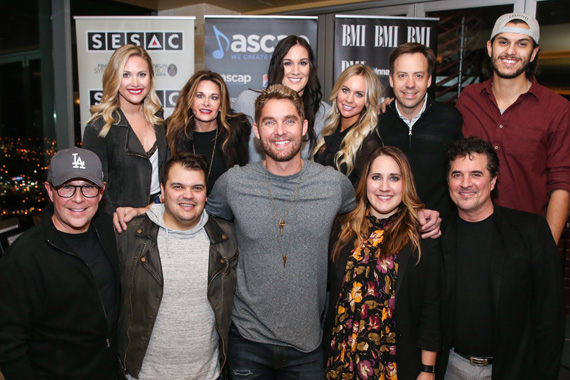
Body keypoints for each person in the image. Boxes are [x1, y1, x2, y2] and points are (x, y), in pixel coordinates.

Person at [208, 84, 356, 378]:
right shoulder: (233, 184)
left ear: (304, 127)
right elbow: (193, 217)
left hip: (307, 345)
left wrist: (421, 216)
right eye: (269, 122)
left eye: (289, 121)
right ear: (256, 130)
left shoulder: (333, 185)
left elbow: (369, 215)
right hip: (247, 341)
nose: (280, 131)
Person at [437, 136, 564, 380]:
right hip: (452, 367)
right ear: (447, 181)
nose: (466, 183)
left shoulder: (530, 232)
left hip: (513, 369)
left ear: (493, 181)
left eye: (476, 174)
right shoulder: (437, 234)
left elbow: (550, 316)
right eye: (457, 175)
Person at [0, 147, 120, 380]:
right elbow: (8, 344)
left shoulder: (107, 229)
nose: (78, 198)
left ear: (101, 192)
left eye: (88, 187)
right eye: (67, 187)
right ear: (50, 191)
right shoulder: (23, 258)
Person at [116, 153, 238, 380]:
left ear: (206, 194)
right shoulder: (130, 236)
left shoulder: (226, 238)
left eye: (197, 188)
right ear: (162, 191)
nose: (188, 195)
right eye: (178, 186)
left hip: (208, 376)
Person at [324, 146, 441, 380]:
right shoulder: (343, 229)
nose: (384, 187)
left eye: (394, 178)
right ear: (365, 181)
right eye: (376, 177)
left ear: (405, 184)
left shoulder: (421, 237)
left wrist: (427, 370)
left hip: (392, 364)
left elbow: (432, 308)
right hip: (341, 359)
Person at [456, 13, 570, 243]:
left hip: (524, 240)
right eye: (503, 42)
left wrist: (546, 249)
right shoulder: (468, 99)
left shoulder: (558, 109)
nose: (510, 51)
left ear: (534, 52)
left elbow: (561, 183)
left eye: (522, 44)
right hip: (467, 236)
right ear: (490, 48)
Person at [376, 43, 463, 218]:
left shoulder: (451, 119)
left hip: (436, 229)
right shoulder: (376, 122)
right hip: (388, 228)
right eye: (402, 75)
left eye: (418, 75)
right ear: (391, 80)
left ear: (429, 80)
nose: (410, 84)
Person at [83, 44, 168, 216]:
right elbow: (95, 188)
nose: (135, 83)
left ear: (150, 78)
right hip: (122, 223)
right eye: (126, 75)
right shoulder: (99, 128)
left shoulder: (158, 119)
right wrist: (115, 219)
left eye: (142, 74)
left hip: (161, 215)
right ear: (114, 78)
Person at [234, 35, 331, 162]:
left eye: (303, 63)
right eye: (288, 63)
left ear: (310, 68)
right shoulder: (248, 101)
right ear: (277, 66)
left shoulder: (323, 114)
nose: (296, 71)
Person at [166, 70, 251, 191]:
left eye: (214, 97)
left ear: (221, 104)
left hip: (223, 208)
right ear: (190, 100)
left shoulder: (235, 134)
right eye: (200, 96)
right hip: (185, 206)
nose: (206, 103)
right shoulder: (173, 132)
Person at [312, 64, 383, 186]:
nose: (349, 99)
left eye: (359, 94)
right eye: (345, 90)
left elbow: (364, 194)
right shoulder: (331, 130)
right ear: (337, 91)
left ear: (368, 101)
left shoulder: (369, 143)